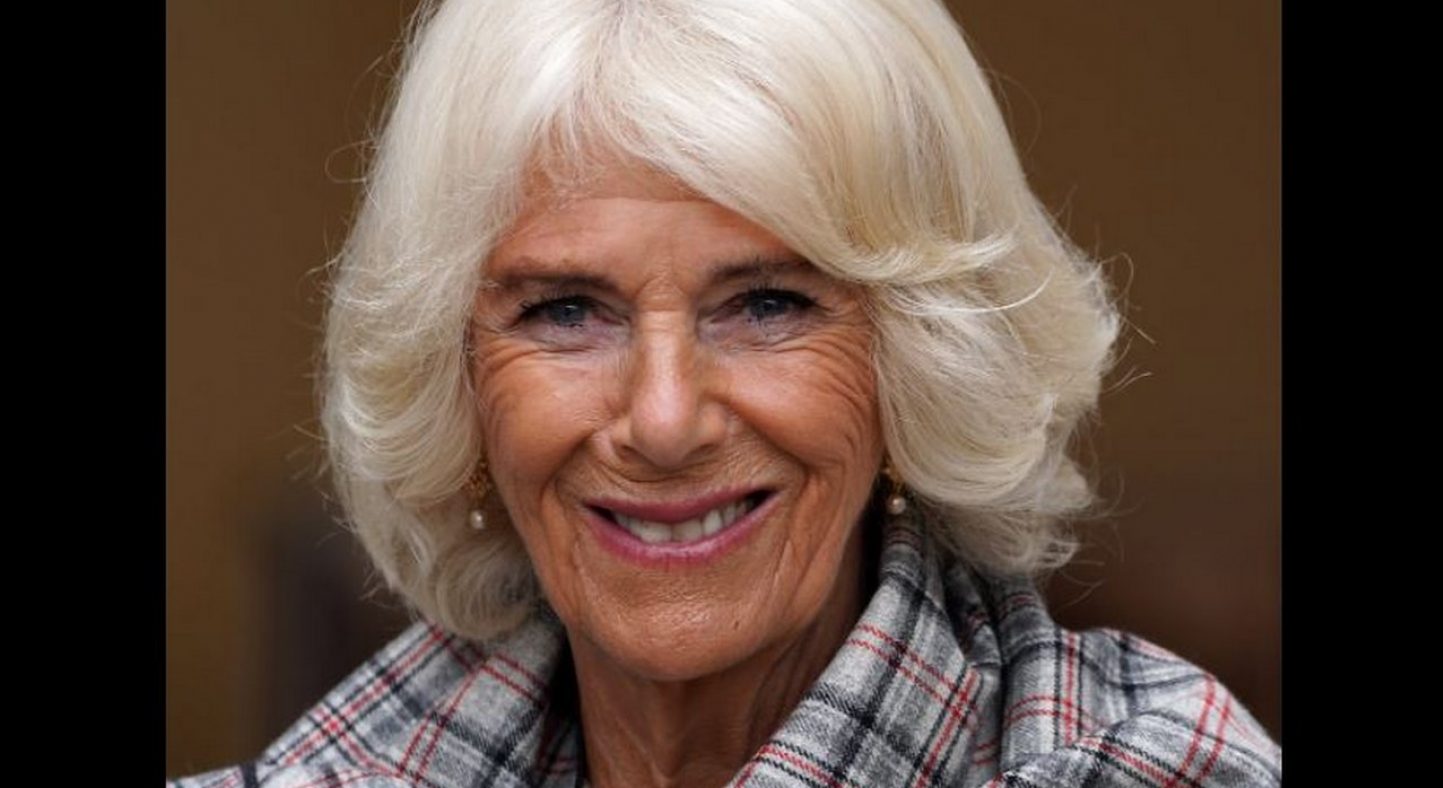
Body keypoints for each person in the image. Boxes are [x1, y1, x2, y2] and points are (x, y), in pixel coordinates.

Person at [169, 0, 1282, 785]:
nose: (664, 419)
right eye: (565, 311)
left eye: (767, 304)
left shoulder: (1155, 768)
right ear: (458, 381)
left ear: (921, 361)